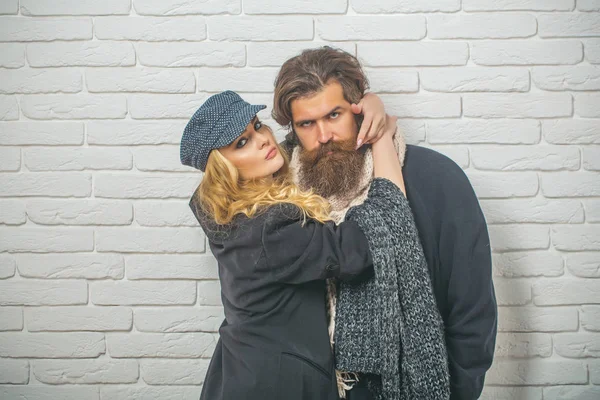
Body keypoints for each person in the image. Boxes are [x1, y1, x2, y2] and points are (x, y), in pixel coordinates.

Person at [273, 47, 497, 400]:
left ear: (358, 109)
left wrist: (461, 392)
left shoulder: (436, 180)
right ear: (292, 128)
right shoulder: (277, 196)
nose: (324, 135)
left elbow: (471, 307)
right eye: (306, 123)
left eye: (334, 115)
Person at [179, 90, 412, 400]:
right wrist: (381, 139)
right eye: (241, 143)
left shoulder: (231, 213)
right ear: (223, 170)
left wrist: (369, 104)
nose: (263, 139)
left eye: (257, 126)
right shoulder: (269, 230)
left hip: (240, 370)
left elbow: (301, 142)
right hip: (276, 384)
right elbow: (371, 240)